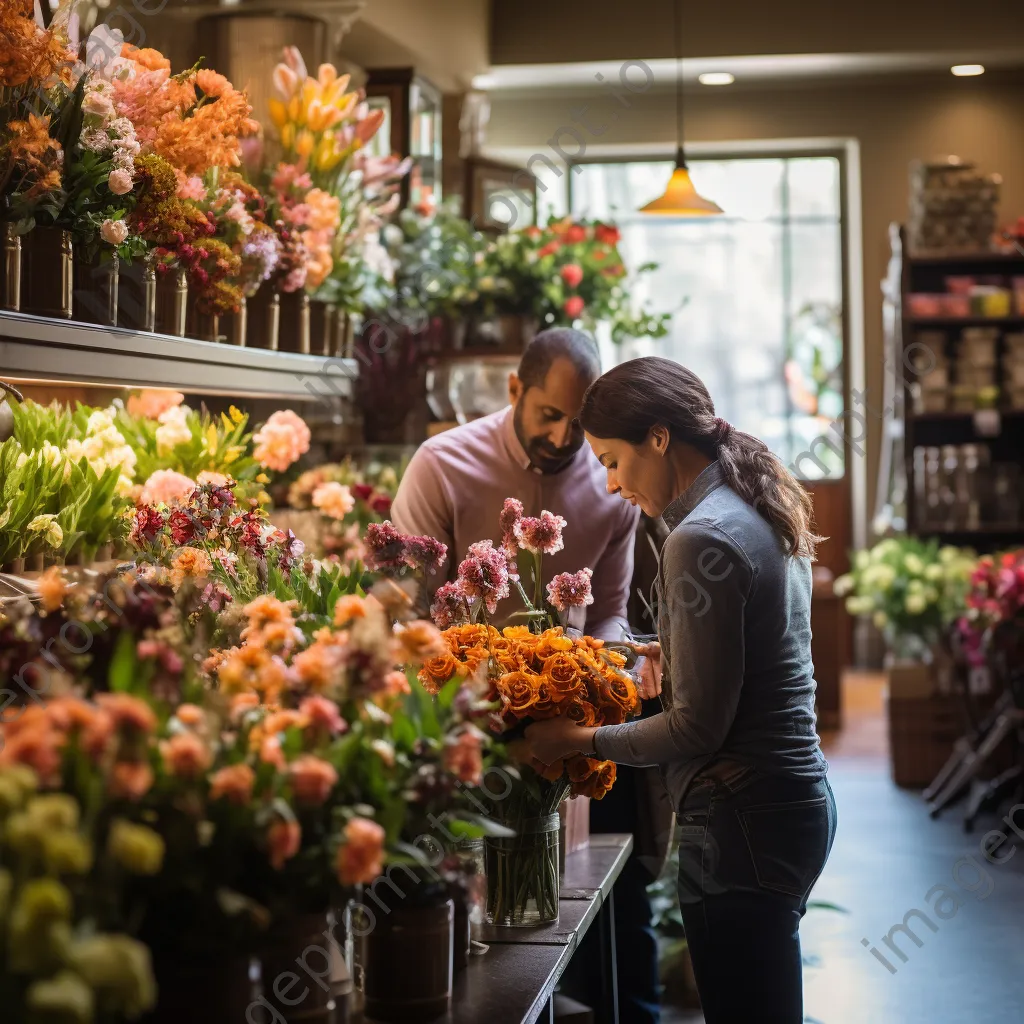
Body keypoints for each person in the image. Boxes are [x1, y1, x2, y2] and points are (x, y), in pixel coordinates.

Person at [525, 357, 838, 1024]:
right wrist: (679, 649)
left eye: (613, 461)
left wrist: (574, 739)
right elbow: (765, 647)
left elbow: (696, 729)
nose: (610, 485)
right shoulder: (750, 498)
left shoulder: (698, 536)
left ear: (659, 438)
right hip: (787, 803)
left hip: (739, 820)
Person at [391, 329, 668, 1023]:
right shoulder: (442, 464)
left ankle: (629, 1011)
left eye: (580, 421)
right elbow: (399, 609)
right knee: (475, 908)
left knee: (612, 885)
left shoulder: (611, 481)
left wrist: (608, 666)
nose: (565, 436)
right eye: (550, 414)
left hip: (573, 726)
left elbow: (608, 612)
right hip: (463, 726)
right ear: (514, 390)